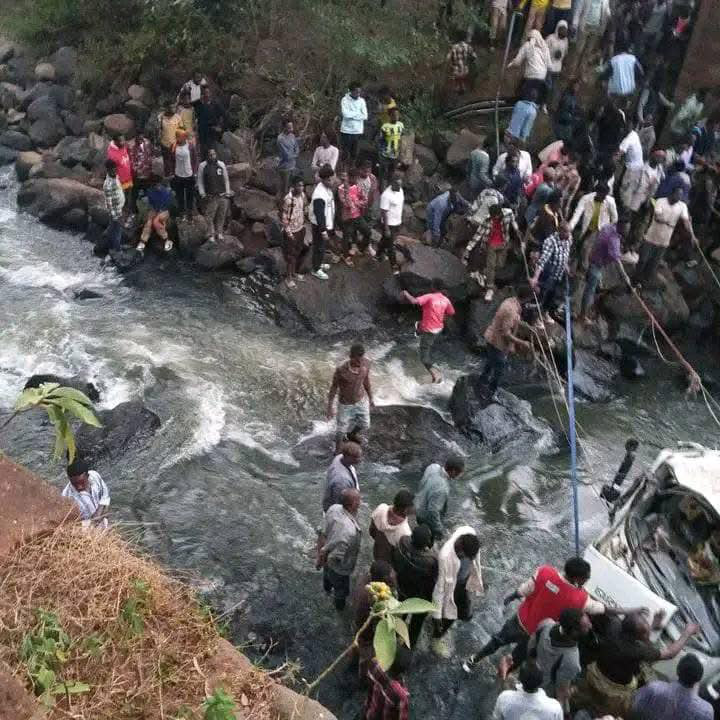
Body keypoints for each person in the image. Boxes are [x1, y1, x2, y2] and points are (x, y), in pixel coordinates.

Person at [463, 557, 643, 673]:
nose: (587, 580)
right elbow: (603, 609)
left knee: (497, 640)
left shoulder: (545, 572)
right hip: (536, 635)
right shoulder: (581, 598)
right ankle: (503, 675)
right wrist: (629, 610)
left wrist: (513, 596)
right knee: (517, 659)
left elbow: (525, 589)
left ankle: (473, 660)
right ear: (577, 579)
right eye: (585, 578)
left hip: (520, 621)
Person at [580, 612, 700, 718]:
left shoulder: (614, 626)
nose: (648, 635)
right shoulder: (636, 651)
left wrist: (652, 626)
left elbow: (635, 636)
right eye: (646, 633)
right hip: (614, 690)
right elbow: (669, 653)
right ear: (635, 637)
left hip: (596, 672)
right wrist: (687, 633)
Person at [431, 527, 484, 657]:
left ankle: (446, 622)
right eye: (467, 556)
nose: (471, 559)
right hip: (451, 586)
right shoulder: (445, 557)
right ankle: (436, 638)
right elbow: (439, 589)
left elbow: (475, 562)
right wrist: (436, 616)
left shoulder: (469, 532)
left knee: (466, 614)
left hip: (463, 582)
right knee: (448, 616)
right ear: (460, 550)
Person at [528, 609, 592, 712]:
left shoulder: (546, 623)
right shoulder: (571, 660)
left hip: (532, 674)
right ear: (574, 632)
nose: (590, 626)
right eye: (586, 626)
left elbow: (531, 645)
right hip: (543, 692)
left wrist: (532, 664)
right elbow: (561, 694)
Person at [635, 185, 697, 285]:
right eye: (677, 195)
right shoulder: (660, 201)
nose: (678, 198)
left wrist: (692, 235)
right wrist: (667, 222)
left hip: (664, 241)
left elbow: (686, 221)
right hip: (651, 237)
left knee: (653, 264)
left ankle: (644, 281)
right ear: (672, 194)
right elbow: (657, 216)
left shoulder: (682, 206)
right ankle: (635, 278)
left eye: (680, 196)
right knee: (643, 259)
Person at [463, 203, 521, 302]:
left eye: (497, 216)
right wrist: (468, 249)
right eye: (494, 216)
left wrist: (518, 232)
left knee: (499, 265)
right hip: (491, 245)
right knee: (491, 265)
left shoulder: (508, 213)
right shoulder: (487, 220)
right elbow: (478, 235)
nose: (496, 218)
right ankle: (489, 289)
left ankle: (485, 273)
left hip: (504, 243)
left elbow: (513, 222)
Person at [478, 288, 533, 394]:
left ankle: (482, 381)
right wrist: (523, 343)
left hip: (492, 336)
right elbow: (506, 333)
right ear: (527, 299)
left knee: (490, 362)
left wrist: (523, 325)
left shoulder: (510, 301)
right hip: (497, 341)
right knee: (499, 368)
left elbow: (510, 321)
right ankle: (491, 391)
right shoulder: (511, 310)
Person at [392, 525, 438, 646]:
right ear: (427, 543)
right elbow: (433, 582)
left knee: (400, 615)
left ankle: (394, 636)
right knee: (416, 624)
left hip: (402, 588)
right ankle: (409, 645)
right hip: (418, 596)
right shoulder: (431, 560)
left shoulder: (403, 542)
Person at [401, 279, 456, 383]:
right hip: (439, 328)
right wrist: (443, 316)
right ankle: (419, 331)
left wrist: (405, 293)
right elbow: (452, 312)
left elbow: (414, 301)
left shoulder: (430, 297)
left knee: (424, 357)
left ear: (433, 287)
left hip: (429, 330)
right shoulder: (446, 300)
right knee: (421, 324)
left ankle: (435, 375)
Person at [317, 488, 362, 610]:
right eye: (358, 499)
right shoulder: (349, 531)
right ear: (352, 504)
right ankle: (339, 608)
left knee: (326, 575)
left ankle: (326, 589)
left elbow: (323, 532)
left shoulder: (334, 508)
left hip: (326, 555)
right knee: (341, 590)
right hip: (339, 568)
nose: (360, 501)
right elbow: (336, 557)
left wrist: (321, 558)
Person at [632, 653, 713, 720]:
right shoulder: (705, 711)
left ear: (678, 671)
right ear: (698, 679)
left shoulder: (654, 688)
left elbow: (634, 709)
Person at [327, 343, 375, 453]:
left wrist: (371, 398)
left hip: (361, 400)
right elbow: (334, 387)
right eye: (357, 360)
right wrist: (329, 407)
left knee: (365, 424)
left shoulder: (366, 364)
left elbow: (366, 381)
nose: (360, 363)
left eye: (361, 359)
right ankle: (338, 448)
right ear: (350, 356)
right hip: (345, 404)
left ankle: (352, 434)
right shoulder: (341, 370)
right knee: (341, 429)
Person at [578, 218, 628, 324]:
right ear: (621, 226)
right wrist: (625, 276)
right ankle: (583, 316)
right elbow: (617, 261)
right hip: (597, 265)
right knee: (590, 291)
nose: (628, 230)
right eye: (626, 228)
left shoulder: (607, 227)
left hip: (593, 258)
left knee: (596, 288)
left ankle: (590, 310)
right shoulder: (614, 239)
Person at [414, 456, 465, 542]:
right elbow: (433, 511)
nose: (460, 475)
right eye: (459, 472)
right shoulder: (442, 488)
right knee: (428, 540)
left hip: (417, 503)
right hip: (424, 517)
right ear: (452, 471)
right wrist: (439, 530)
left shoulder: (433, 467)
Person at [530, 221, 572, 325]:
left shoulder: (568, 239)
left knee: (552, 297)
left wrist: (565, 265)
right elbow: (542, 261)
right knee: (542, 296)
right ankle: (535, 318)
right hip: (548, 274)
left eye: (569, 232)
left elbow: (565, 254)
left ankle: (545, 313)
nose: (569, 235)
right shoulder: (550, 242)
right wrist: (535, 278)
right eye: (566, 232)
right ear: (560, 231)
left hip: (558, 274)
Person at [569, 184, 619, 270]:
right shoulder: (586, 198)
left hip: (600, 230)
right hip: (587, 228)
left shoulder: (610, 201)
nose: (604, 197)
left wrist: (608, 230)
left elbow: (615, 219)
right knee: (581, 246)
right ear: (597, 193)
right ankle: (581, 268)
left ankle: (584, 269)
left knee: (586, 248)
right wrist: (570, 227)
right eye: (602, 195)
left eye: (605, 195)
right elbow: (577, 214)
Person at [492, 662, 563, 720]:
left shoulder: (505, 697)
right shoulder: (554, 707)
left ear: (519, 678)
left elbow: (496, 717)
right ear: (542, 681)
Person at [364, 648, 411, 720]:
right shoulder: (402, 695)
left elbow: (368, 684)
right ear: (404, 671)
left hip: (370, 715)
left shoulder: (374, 665)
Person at [62, 459, 110, 527]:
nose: (79, 487)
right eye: (74, 484)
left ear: (87, 476)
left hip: (102, 518)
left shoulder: (95, 476)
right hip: (87, 529)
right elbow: (70, 524)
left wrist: (100, 511)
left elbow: (105, 495)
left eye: (82, 482)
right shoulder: (67, 496)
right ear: (69, 479)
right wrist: (92, 521)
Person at [507, 31, 551, 105]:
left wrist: (510, 64)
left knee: (521, 91)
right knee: (523, 85)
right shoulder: (545, 47)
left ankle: (517, 103)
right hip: (542, 77)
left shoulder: (527, 45)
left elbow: (517, 62)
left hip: (530, 76)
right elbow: (549, 65)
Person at [197, 148, 231, 242]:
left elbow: (226, 179)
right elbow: (200, 181)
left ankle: (219, 233)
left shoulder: (221, 164)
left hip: (223, 195)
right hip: (211, 196)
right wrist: (202, 193)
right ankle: (211, 234)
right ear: (207, 155)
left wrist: (227, 192)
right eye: (210, 155)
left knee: (221, 215)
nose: (212, 156)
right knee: (209, 216)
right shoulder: (202, 166)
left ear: (216, 154)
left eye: (214, 154)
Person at [370, 490, 414, 562]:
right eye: (412, 506)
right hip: (389, 562)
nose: (414, 508)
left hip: (376, 551)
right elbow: (400, 557)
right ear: (405, 510)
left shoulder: (381, 508)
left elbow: (371, 531)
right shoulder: (405, 532)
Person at [309, 164, 336, 280]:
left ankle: (319, 263)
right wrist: (323, 231)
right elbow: (319, 215)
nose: (332, 182)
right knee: (319, 247)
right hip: (319, 225)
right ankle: (315, 269)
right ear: (324, 180)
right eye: (330, 180)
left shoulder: (327, 188)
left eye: (332, 179)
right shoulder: (319, 194)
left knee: (322, 246)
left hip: (326, 223)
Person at [338, 169, 372, 261]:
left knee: (368, 232)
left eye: (357, 178)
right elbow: (346, 204)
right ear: (349, 177)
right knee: (346, 237)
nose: (356, 180)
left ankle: (360, 248)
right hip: (348, 218)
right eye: (354, 178)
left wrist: (356, 203)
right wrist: (347, 191)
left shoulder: (357, 187)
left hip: (357, 215)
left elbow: (365, 200)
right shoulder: (341, 188)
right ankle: (345, 256)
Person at [280, 176, 308, 288]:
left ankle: (294, 273)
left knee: (297, 252)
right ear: (293, 186)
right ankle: (288, 278)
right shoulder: (288, 200)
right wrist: (289, 233)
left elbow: (304, 208)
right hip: (291, 231)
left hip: (300, 228)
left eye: (302, 185)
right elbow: (284, 218)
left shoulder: (303, 195)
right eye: (299, 185)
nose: (301, 188)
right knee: (290, 255)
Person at [322, 441, 362, 512]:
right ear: (348, 457)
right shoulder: (342, 481)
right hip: (335, 510)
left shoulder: (339, 457)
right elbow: (340, 506)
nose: (359, 459)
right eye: (356, 457)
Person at [138, 176, 173, 254]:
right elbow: (151, 204)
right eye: (155, 184)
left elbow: (168, 204)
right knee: (149, 222)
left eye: (158, 184)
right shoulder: (150, 191)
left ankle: (166, 240)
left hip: (164, 211)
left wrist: (159, 210)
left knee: (156, 221)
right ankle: (142, 242)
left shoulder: (166, 191)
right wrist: (153, 211)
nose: (157, 186)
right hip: (155, 210)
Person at [573, 0, 611, 71]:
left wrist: (609, 14)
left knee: (588, 52)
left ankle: (582, 72)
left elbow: (607, 11)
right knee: (578, 50)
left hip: (596, 28)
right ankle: (572, 71)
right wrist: (575, 24)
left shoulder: (605, 1)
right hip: (585, 26)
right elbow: (578, 11)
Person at [378, 173, 405, 272]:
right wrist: (386, 229)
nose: (399, 187)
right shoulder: (386, 195)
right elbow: (383, 213)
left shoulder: (400, 190)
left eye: (400, 184)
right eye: (397, 185)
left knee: (385, 240)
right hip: (389, 224)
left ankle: (378, 254)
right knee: (391, 246)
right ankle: (394, 266)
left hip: (397, 222)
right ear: (392, 183)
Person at [171, 129, 198, 222]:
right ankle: (182, 213)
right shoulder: (174, 146)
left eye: (183, 136)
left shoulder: (190, 146)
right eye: (179, 136)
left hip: (189, 174)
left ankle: (190, 214)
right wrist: (172, 172)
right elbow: (172, 160)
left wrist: (195, 172)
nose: (182, 138)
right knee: (180, 196)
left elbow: (194, 159)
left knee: (190, 196)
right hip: (178, 175)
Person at [600, 437, 639, 502]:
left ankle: (611, 496)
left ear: (631, 447)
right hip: (622, 473)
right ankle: (612, 494)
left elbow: (626, 465)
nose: (625, 446)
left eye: (627, 445)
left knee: (616, 484)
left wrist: (620, 473)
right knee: (615, 483)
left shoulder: (631, 455)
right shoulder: (630, 453)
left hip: (622, 473)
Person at [618, 121, 645, 210]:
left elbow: (619, 155)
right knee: (630, 191)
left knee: (625, 192)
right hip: (639, 168)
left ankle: (623, 211)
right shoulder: (634, 134)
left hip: (632, 169)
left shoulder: (628, 139)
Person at [339, 83, 368, 164]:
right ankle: (343, 170)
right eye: (356, 92)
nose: (358, 94)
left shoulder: (362, 101)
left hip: (357, 131)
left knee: (354, 153)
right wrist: (358, 114)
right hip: (346, 130)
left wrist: (351, 114)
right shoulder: (344, 100)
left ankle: (352, 169)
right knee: (345, 152)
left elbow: (365, 116)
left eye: (359, 92)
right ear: (351, 91)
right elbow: (345, 114)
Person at [196, 86, 225, 159]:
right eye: (204, 93)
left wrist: (220, 127)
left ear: (210, 93)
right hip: (202, 134)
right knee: (203, 154)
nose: (206, 95)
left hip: (212, 134)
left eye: (207, 93)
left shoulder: (215, 104)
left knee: (213, 154)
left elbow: (224, 116)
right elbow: (197, 119)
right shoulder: (199, 106)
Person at [378, 106, 404, 190]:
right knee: (383, 174)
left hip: (395, 155)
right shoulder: (385, 126)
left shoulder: (401, 125)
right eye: (394, 115)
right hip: (385, 154)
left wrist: (400, 153)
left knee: (392, 173)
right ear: (390, 116)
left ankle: (389, 190)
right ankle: (382, 191)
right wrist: (381, 153)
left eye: (397, 115)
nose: (396, 116)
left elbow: (400, 139)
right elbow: (380, 140)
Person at [129, 130, 153, 214]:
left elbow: (150, 154)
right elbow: (131, 161)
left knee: (148, 192)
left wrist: (149, 167)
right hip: (137, 176)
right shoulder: (132, 146)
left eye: (142, 137)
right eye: (139, 137)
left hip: (147, 174)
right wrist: (138, 170)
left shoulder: (147, 143)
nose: (141, 139)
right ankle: (134, 211)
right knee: (135, 194)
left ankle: (149, 210)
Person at [106, 134, 133, 211]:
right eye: (121, 141)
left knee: (129, 196)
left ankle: (128, 208)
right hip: (120, 181)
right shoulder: (112, 154)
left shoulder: (122, 146)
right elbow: (111, 171)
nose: (124, 142)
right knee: (121, 198)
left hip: (128, 177)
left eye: (124, 140)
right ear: (115, 142)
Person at [157, 101, 185, 176]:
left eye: (174, 107)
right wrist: (158, 141)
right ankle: (168, 181)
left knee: (176, 163)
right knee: (167, 164)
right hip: (164, 144)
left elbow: (181, 131)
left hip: (175, 144)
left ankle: (177, 178)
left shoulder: (178, 117)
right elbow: (159, 130)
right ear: (167, 108)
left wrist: (180, 143)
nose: (173, 109)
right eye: (171, 107)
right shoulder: (161, 117)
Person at [103, 160, 125, 252]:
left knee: (112, 227)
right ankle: (117, 249)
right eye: (112, 169)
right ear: (108, 170)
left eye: (115, 168)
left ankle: (105, 241)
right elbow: (109, 203)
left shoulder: (116, 177)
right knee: (117, 230)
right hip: (115, 211)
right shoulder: (107, 184)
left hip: (119, 207)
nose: (115, 170)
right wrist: (115, 216)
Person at [545, 20, 569, 103]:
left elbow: (565, 53)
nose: (563, 32)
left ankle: (548, 103)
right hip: (549, 66)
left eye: (565, 30)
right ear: (558, 29)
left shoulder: (566, 41)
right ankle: (542, 101)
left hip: (558, 68)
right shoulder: (550, 38)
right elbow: (544, 50)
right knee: (549, 86)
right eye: (562, 29)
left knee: (554, 88)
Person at [277, 119, 300, 198]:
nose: (291, 129)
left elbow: (296, 148)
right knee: (285, 189)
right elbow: (286, 155)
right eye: (289, 127)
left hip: (293, 165)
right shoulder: (280, 139)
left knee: (293, 187)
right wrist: (294, 155)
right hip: (284, 167)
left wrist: (295, 154)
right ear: (284, 127)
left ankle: (291, 207)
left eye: (291, 127)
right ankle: (282, 206)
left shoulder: (292, 136)